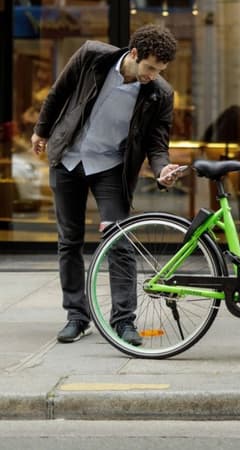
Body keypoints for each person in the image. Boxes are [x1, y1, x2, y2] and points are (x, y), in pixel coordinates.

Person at [31, 24, 184, 345]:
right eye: (150, 67)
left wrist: (162, 169)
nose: (153, 75)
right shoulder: (91, 56)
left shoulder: (160, 93)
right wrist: (41, 131)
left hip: (110, 169)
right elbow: (59, 92)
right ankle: (76, 316)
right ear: (133, 54)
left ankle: (124, 321)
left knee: (120, 242)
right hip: (69, 158)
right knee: (69, 241)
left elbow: (157, 144)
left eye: (160, 70)